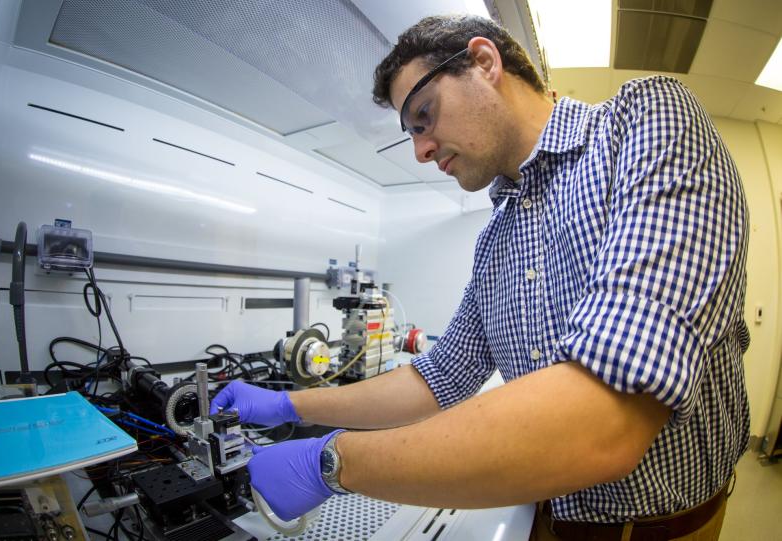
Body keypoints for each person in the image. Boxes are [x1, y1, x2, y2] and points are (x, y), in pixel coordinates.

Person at [211, 14, 750, 540]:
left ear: (484, 62)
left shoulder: (642, 123)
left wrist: (330, 462)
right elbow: (440, 376)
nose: (421, 150)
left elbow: (604, 424)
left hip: (662, 529)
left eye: (424, 116)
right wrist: (289, 403)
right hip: (547, 515)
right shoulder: (496, 240)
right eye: (411, 132)